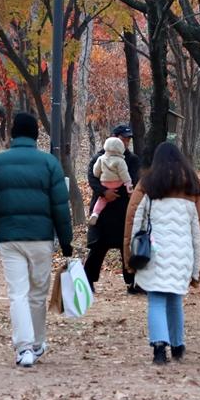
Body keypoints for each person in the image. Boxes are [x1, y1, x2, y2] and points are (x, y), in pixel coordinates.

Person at [0, 112, 74, 368]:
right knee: (38, 293)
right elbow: (60, 206)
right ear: (36, 135)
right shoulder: (49, 163)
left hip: (10, 237)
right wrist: (65, 241)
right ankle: (38, 342)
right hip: (41, 237)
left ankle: (23, 348)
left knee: (17, 292)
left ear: (12, 134)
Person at [123, 142, 200, 365]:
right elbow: (198, 230)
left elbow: (134, 221)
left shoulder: (148, 185)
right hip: (182, 254)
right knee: (175, 300)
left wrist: (129, 257)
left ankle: (159, 348)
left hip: (154, 253)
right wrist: (198, 266)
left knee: (156, 300)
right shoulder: (191, 186)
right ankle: (178, 345)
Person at [85, 124, 143, 293]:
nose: (126, 142)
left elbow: (132, 179)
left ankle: (133, 283)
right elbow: (92, 177)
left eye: (128, 139)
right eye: (123, 138)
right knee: (96, 247)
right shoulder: (99, 157)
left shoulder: (132, 160)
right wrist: (104, 192)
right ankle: (87, 281)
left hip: (123, 210)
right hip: (101, 211)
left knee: (127, 248)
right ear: (113, 138)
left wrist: (115, 192)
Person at [89, 137, 133, 226]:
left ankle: (95, 213)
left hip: (104, 182)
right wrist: (129, 186)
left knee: (101, 200)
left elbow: (95, 172)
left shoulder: (101, 158)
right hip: (117, 183)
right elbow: (125, 174)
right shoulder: (120, 161)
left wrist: (100, 176)